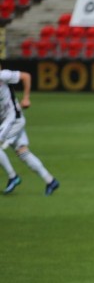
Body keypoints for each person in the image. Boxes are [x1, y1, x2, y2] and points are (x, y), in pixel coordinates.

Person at [0, 63, 60, 195]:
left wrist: (26, 98)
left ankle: (12, 177)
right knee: (23, 152)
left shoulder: (4, 75)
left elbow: (26, 76)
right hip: (7, 121)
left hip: (14, 120)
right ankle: (50, 181)